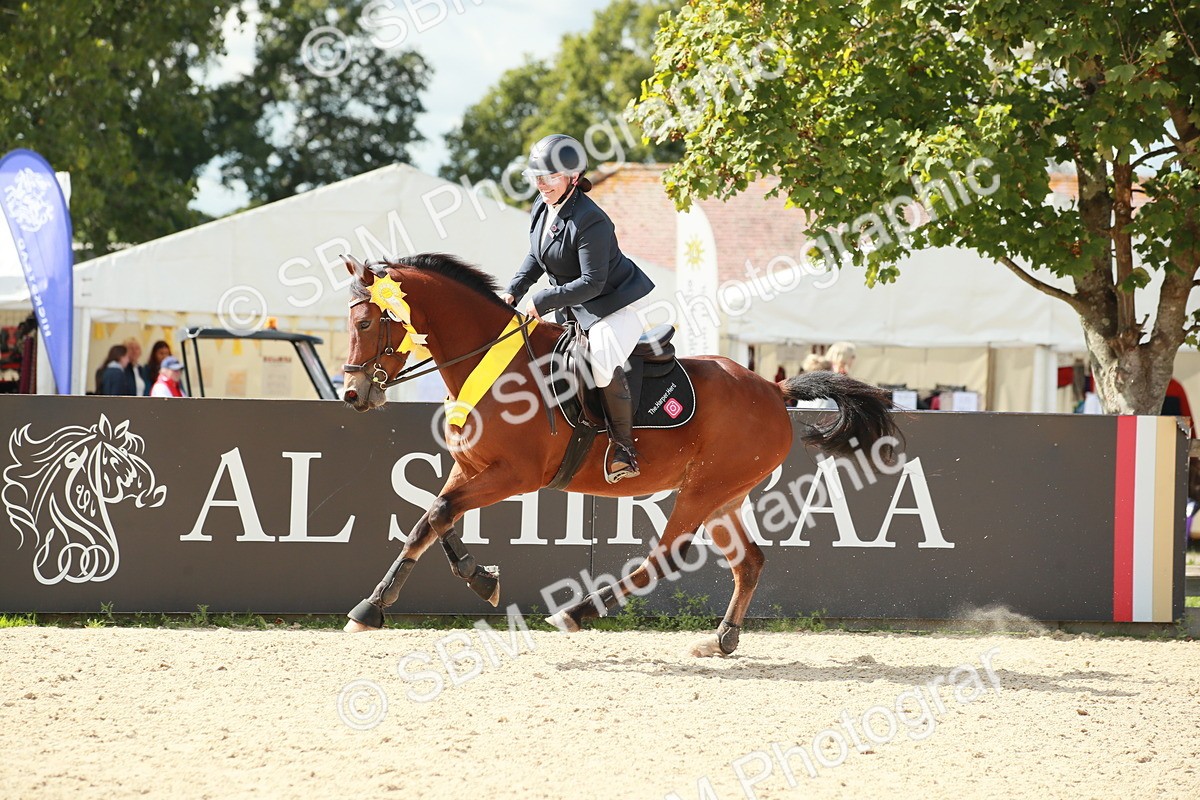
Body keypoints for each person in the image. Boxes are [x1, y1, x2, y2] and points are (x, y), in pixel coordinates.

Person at [500, 133, 655, 483]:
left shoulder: (591, 220)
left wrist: (541, 299)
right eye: (536, 177)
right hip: (571, 313)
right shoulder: (542, 207)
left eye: (549, 177)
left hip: (610, 310)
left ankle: (624, 449)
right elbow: (536, 256)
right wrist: (513, 291)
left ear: (572, 177)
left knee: (600, 366)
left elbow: (592, 283)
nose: (541, 184)